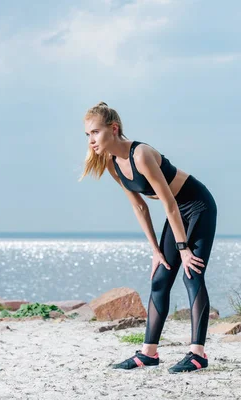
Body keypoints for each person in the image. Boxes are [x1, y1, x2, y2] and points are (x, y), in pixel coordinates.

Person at [80, 102, 217, 373]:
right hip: (177, 212)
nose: (91, 140)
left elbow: (168, 204)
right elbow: (140, 207)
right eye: (88, 135)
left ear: (114, 129)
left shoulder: (140, 154)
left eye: (95, 132)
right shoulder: (112, 163)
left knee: (192, 274)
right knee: (160, 278)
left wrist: (183, 249)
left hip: (197, 205)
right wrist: (156, 250)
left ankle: (198, 354)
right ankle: (149, 353)